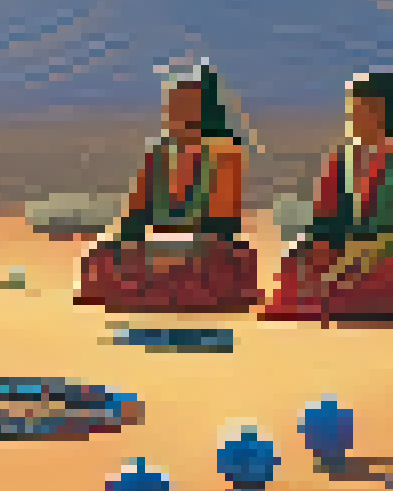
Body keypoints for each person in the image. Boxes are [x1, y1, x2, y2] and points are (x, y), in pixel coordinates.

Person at [259, 70, 393, 322]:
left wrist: (380, 243)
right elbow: (326, 217)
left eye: (367, 108)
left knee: (384, 271)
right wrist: (318, 243)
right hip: (346, 249)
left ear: (385, 111)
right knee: (295, 259)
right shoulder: (340, 159)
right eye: (354, 108)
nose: (358, 116)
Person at [75, 60, 261, 312]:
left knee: (203, 264)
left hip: (205, 244)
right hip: (158, 243)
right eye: (171, 106)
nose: (173, 113)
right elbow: (137, 211)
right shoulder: (161, 153)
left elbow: (223, 218)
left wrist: (180, 242)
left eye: (183, 106)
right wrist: (129, 240)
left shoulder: (225, 151)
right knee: (101, 256)